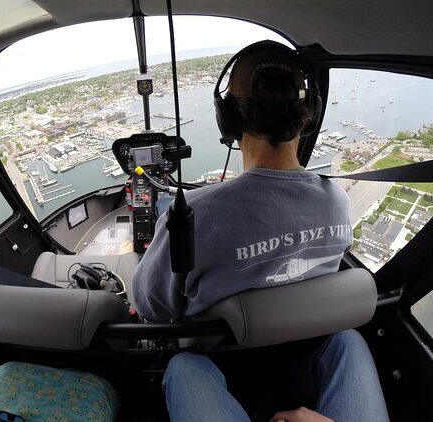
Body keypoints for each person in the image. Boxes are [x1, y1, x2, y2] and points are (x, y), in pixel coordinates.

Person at [131, 41, 389, 421]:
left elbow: (151, 306)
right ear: (309, 115)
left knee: (182, 365)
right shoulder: (336, 200)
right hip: (302, 367)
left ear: (228, 119)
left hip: (221, 367)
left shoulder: (194, 214)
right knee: (347, 340)